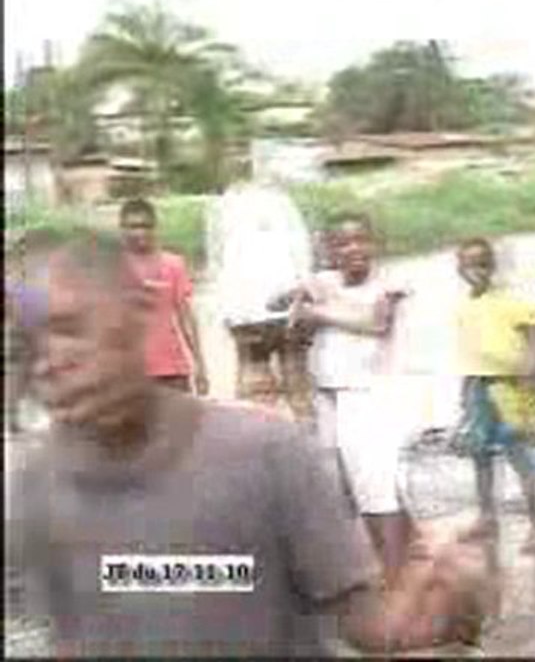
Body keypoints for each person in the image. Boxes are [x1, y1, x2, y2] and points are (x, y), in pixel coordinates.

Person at [5, 227, 494, 658]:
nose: (49, 361)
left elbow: (366, 623)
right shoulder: (37, 488)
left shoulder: (264, 455)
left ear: (137, 313)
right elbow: (72, 639)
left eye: (69, 328)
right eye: (26, 346)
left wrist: (434, 594)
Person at [278, 211, 416, 588]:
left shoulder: (390, 283)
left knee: (377, 490)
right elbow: (282, 307)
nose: (353, 249)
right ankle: (401, 563)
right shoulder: (324, 281)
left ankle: (394, 582)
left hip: (370, 395)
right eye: (342, 243)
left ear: (374, 243)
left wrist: (318, 310)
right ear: (328, 250)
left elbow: (376, 323)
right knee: (343, 487)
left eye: (360, 240)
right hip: (328, 394)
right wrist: (300, 295)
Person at [454, 237, 535, 554]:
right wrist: (465, 393)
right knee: (479, 453)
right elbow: (469, 351)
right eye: (469, 265)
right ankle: (486, 516)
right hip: (477, 385)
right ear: (459, 269)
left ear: (492, 266)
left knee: (518, 454)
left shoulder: (509, 301)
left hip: (508, 386)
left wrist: (531, 372)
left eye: (482, 263)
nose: (476, 271)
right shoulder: (465, 305)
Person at [208, 184, 315, 423]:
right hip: (246, 316)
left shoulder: (277, 199)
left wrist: (301, 295)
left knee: (297, 394)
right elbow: (218, 260)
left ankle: (308, 453)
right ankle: (261, 453)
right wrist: (227, 311)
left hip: (284, 312)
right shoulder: (225, 204)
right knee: (254, 400)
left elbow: (301, 249)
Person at [119, 198, 209, 395]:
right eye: (133, 227)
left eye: (146, 226)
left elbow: (186, 317)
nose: (140, 232)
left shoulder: (173, 265)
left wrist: (200, 365)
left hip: (172, 372)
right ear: (122, 229)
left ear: (155, 228)